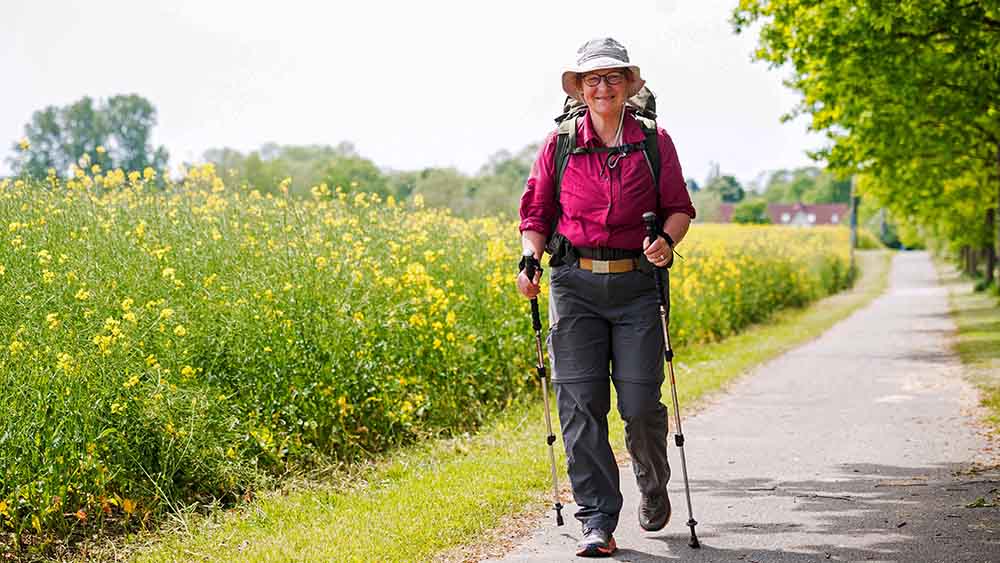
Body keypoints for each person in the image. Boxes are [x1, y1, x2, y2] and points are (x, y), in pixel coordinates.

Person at [516, 37, 695, 557]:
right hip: (574, 287)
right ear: (579, 88)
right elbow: (536, 214)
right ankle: (596, 519)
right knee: (580, 405)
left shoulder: (654, 142)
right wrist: (530, 257)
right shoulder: (561, 144)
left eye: (612, 77)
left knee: (639, 403)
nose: (602, 86)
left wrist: (666, 241)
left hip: (638, 286)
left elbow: (679, 208)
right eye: (592, 78)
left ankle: (652, 478)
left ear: (628, 84)